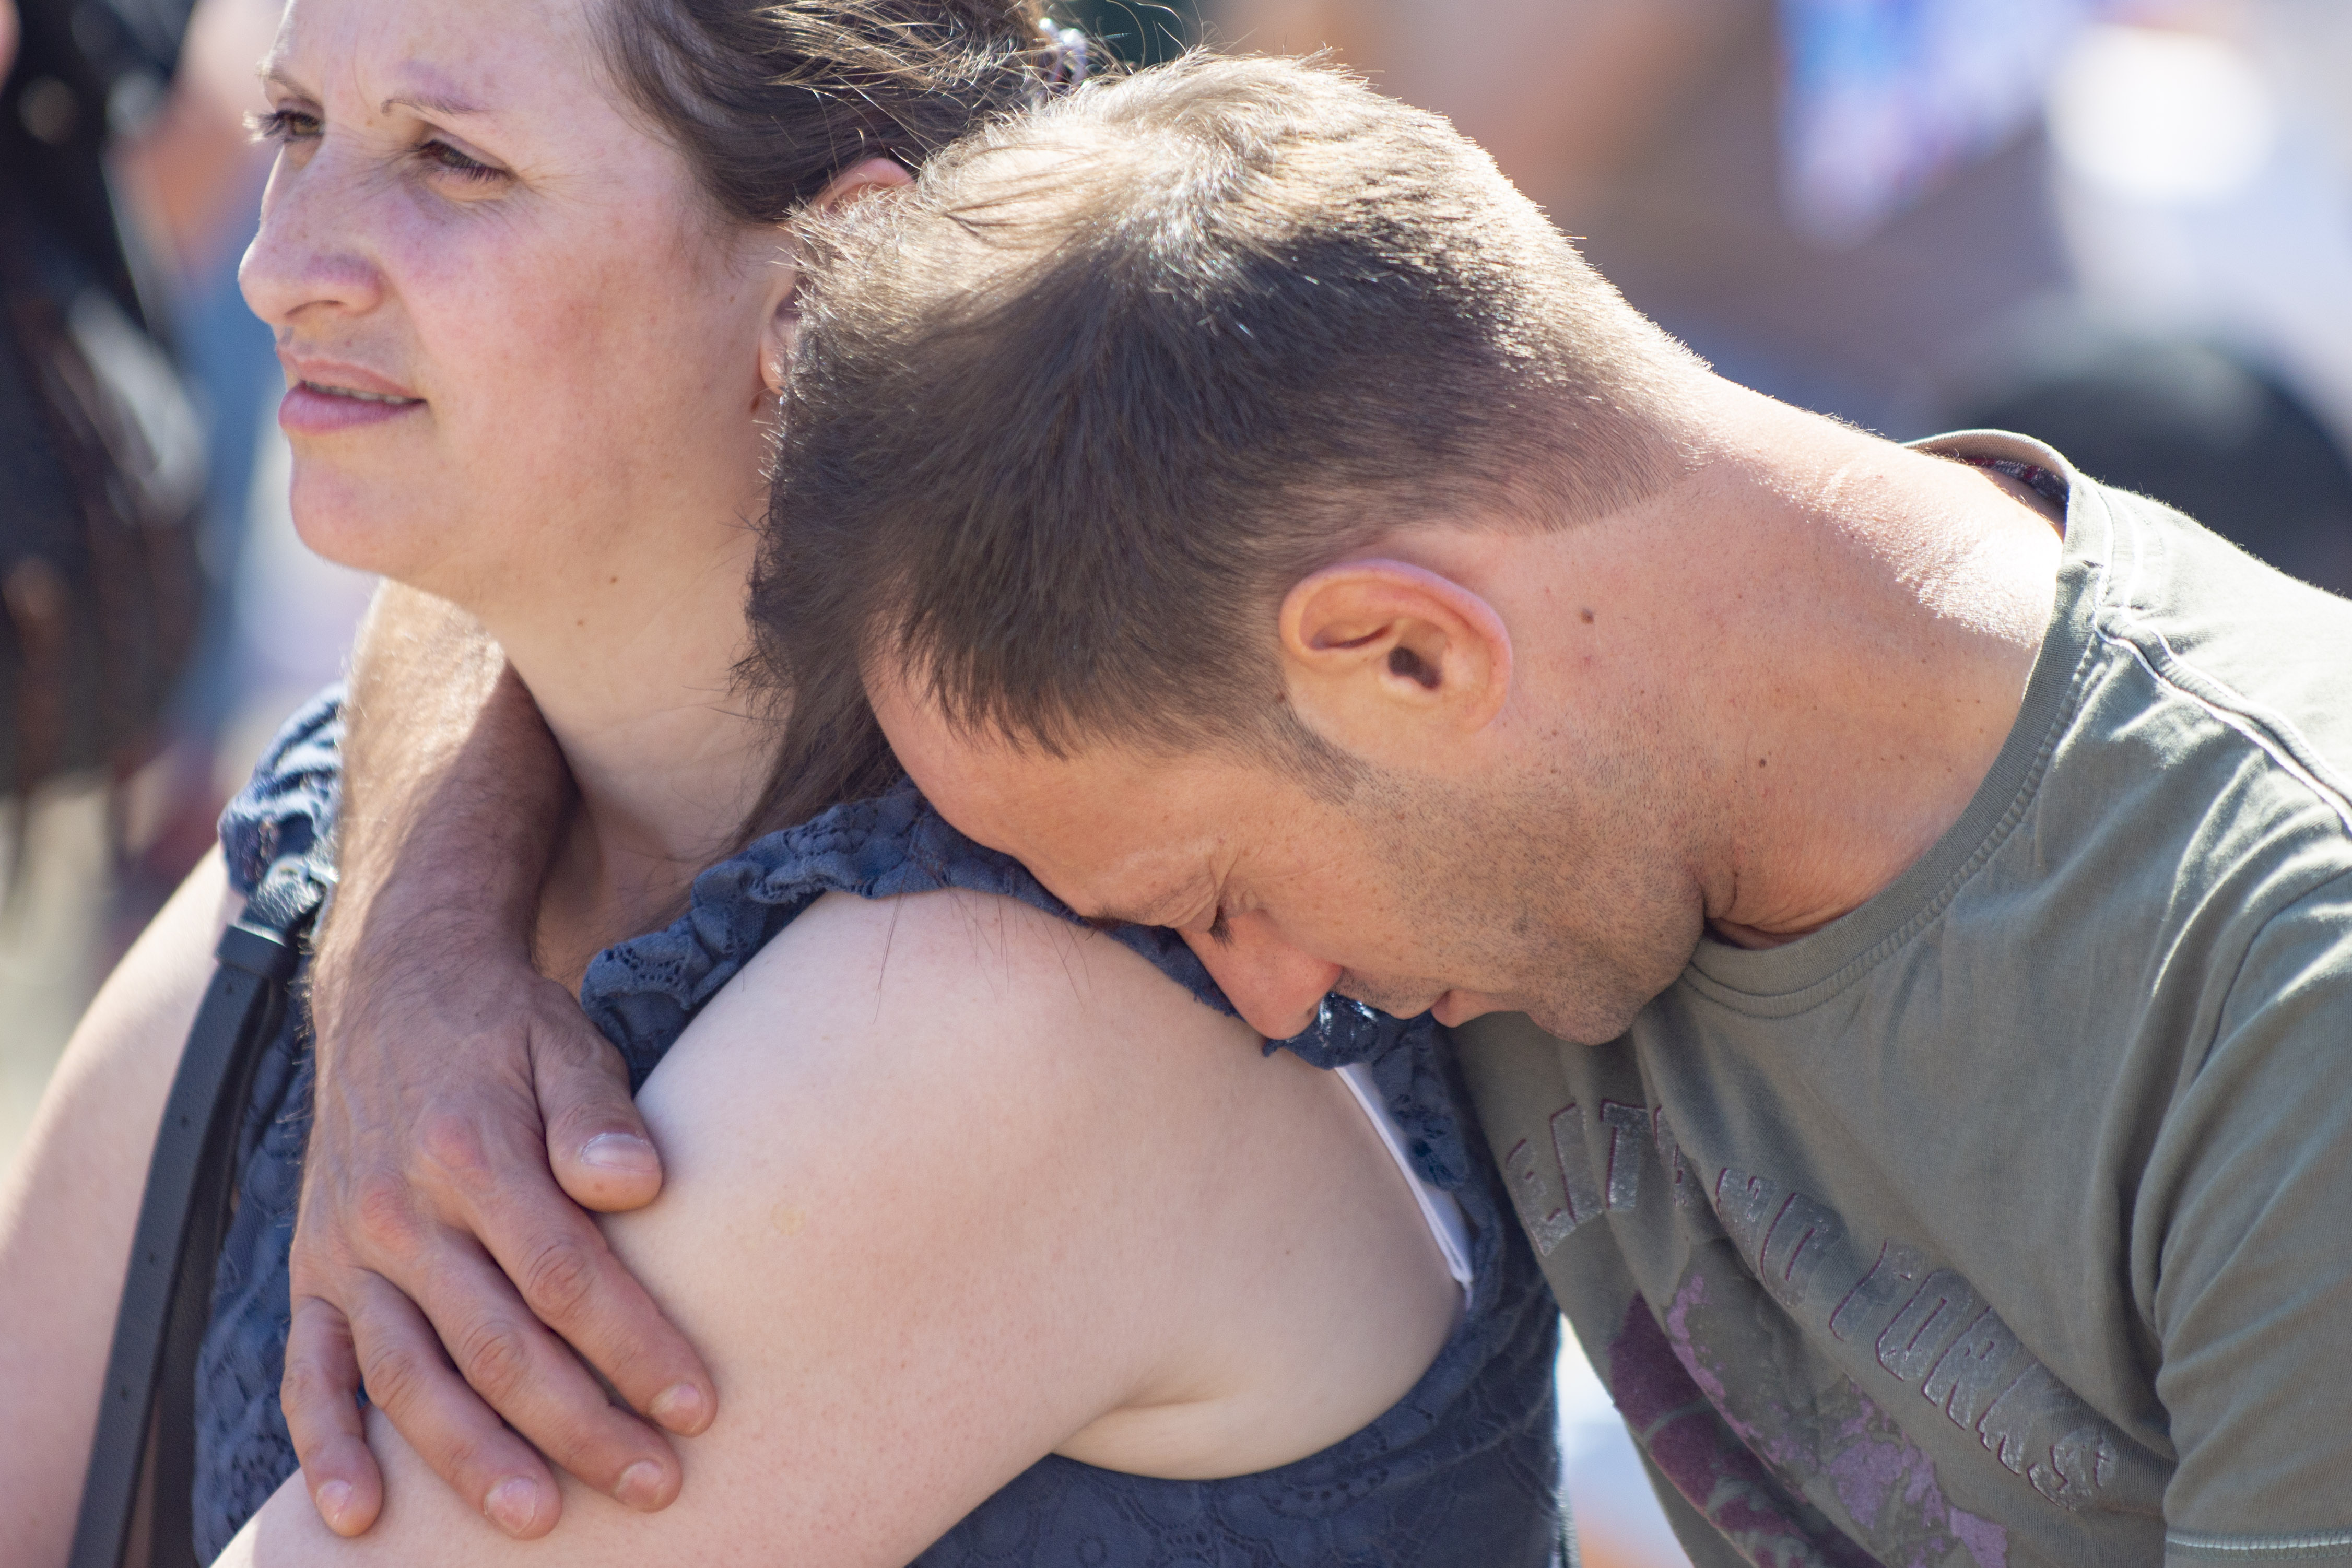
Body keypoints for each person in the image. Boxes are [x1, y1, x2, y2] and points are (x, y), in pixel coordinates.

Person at [0, 12, 1566, 1568]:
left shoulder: (1014, 994)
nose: (281, 264)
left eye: (451, 160)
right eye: (290, 127)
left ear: (820, 286)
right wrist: (408, 930)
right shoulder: (332, 848)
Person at [744, 55, 2350, 1564]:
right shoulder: (1533, 799)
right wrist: (476, 927)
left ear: (1413, 655)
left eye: (1219, 892)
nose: (1265, 999)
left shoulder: (2286, 982)